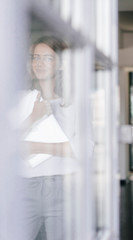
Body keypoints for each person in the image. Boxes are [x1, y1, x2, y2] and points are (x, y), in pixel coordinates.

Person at [19, 36, 75, 240]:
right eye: (35, 57)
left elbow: (83, 149)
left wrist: (33, 146)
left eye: (47, 58)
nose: (39, 63)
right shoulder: (20, 99)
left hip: (61, 186)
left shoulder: (71, 103)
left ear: (60, 64)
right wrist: (33, 117)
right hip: (22, 186)